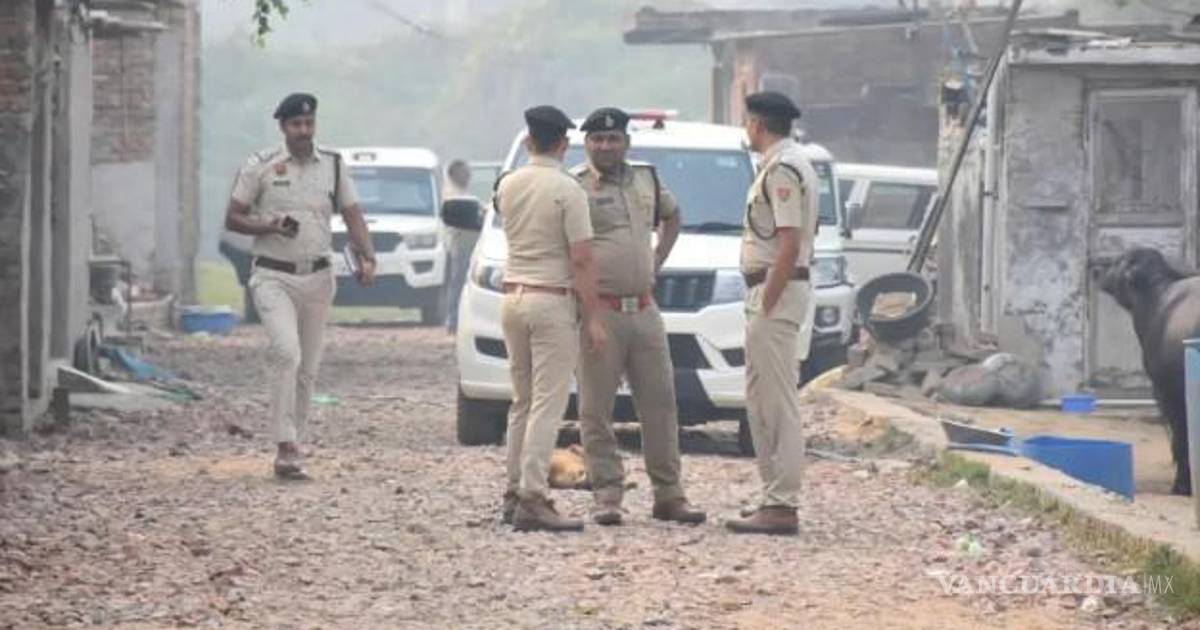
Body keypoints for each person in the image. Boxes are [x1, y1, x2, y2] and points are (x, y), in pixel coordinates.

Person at [223, 92, 376, 480]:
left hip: (318, 277)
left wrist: (368, 256)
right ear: (283, 127)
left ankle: (295, 444)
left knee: (307, 368)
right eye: (296, 124)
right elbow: (234, 217)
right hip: (273, 276)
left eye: (309, 123)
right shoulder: (261, 165)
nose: (304, 131)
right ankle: (284, 442)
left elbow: (353, 214)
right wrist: (268, 225)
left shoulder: (334, 165)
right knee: (286, 353)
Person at [569, 107, 705, 526]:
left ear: (626, 142)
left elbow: (672, 216)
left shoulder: (647, 178)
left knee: (660, 403)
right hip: (601, 311)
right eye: (597, 139)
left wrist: (657, 259)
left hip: (645, 310)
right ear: (586, 144)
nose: (605, 146)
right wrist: (587, 311)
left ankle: (669, 494)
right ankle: (607, 493)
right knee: (595, 408)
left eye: (613, 139)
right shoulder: (574, 187)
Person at [497, 105, 607, 532]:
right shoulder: (567, 190)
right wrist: (593, 317)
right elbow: (581, 258)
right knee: (548, 402)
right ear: (564, 144)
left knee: (522, 401)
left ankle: (513, 490)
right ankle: (534, 496)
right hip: (551, 299)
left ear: (528, 141)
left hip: (513, 296)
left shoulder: (508, 184)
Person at [724, 91, 818, 535]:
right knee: (761, 397)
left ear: (758, 125)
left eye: (749, 122)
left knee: (777, 400)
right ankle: (773, 496)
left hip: (776, 292)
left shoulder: (783, 168)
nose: (747, 130)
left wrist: (768, 301)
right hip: (770, 290)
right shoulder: (783, 163)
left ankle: (782, 502)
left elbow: (788, 242)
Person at [441, 159, 479, 334]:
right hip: (461, 244)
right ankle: (453, 320)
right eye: (464, 173)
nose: (468, 176)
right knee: (458, 282)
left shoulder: (461, 193)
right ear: (454, 174)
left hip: (466, 243)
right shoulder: (453, 195)